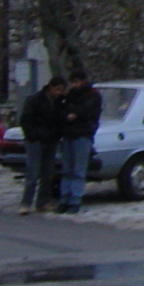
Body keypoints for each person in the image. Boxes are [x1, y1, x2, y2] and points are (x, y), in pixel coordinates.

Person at [57, 69, 102, 214]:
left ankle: (75, 199)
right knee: (67, 170)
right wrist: (71, 113)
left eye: (76, 81)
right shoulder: (71, 94)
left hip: (82, 134)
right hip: (69, 134)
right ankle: (64, 199)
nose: (74, 85)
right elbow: (63, 109)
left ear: (83, 80)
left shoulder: (93, 94)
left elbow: (87, 111)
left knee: (78, 170)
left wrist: (74, 112)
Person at [18, 77, 65, 215]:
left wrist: (56, 134)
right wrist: (32, 136)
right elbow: (26, 120)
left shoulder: (59, 102)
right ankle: (26, 203)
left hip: (50, 139)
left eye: (61, 90)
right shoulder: (35, 100)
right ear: (50, 87)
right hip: (36, 140)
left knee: (48, 173)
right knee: (33, 172)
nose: (59, 93)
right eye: (57, 89)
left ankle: (43, 201)